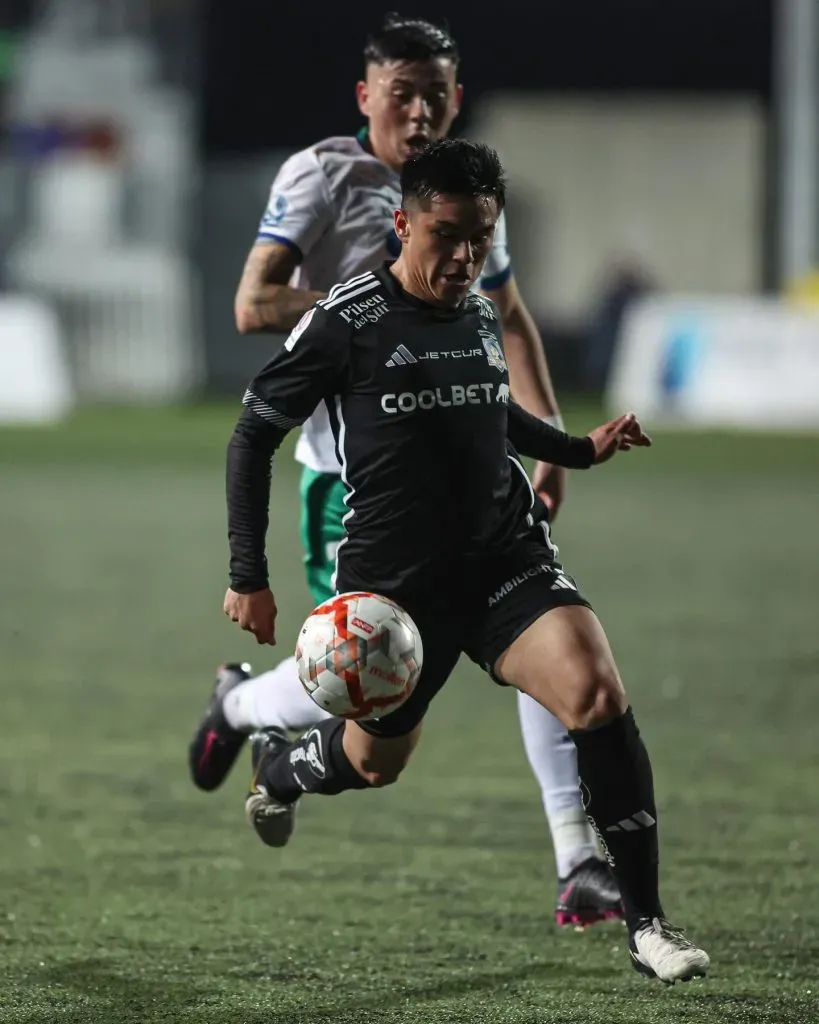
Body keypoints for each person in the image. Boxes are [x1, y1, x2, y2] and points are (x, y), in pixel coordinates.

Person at [217, 138, 710, 985]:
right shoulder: (345, 321)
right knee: (375, 764)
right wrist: (246, 576)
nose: (465, 257)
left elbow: (496, 415)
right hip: (397, 595)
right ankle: (282, 763)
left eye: (480, 237)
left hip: (503, 557)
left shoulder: (477, 307)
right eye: (447, 236)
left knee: (593, 692)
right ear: (401, 223)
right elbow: (253, 431)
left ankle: (647, 924)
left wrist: (578, 451)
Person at [189, 13, 621, 928]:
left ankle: (577, 856)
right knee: (361, 674)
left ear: (455, 98)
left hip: (469, 444)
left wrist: (549, 435)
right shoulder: (321, 176)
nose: (421, 111)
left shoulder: (465, 194)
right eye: (402, 94)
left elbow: (508, 313)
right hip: (350, 468)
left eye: (436, 94)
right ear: (365, 98)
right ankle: (241, 706)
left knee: (537, 620)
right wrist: (383, 310)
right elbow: (252, 301)